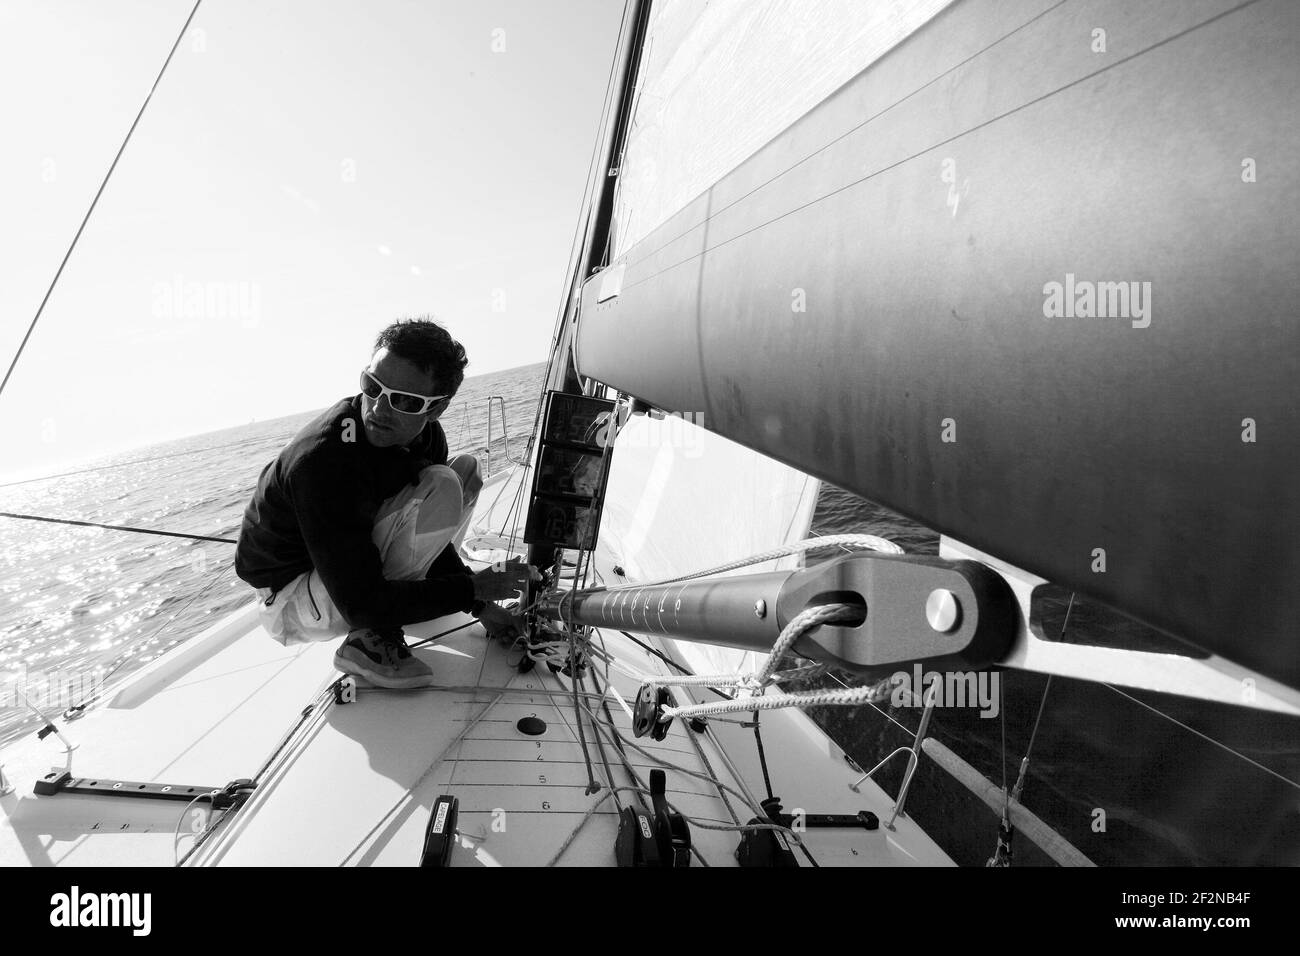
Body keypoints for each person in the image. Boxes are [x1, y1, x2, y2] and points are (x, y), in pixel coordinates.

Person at [234, 317, 532, 688]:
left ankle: (405, 602)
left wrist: (479, 606)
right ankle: (372, 639)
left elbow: (427, 537)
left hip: (346, 573)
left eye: (404, 401)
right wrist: (474, 589)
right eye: (372, 386)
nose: (377, 408)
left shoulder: (426, 438)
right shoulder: (323, 462)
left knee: (462, 473)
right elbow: (360, 603)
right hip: (292, 601)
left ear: (436, 410)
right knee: (441, 483)